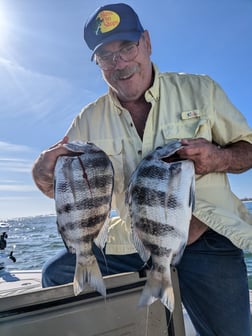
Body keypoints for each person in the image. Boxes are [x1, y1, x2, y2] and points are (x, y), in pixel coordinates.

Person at [32, 3, 252, 335]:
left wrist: (218, 158)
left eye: (127, 47)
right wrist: (42, 171)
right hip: (134, 244)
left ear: (147, 42)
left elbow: (248, 150)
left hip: (207, 241)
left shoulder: (201, 90)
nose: (119, 62)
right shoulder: (87, 120)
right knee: (58, 275)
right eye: (106, 56)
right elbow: (64, 192)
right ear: (97, 64)